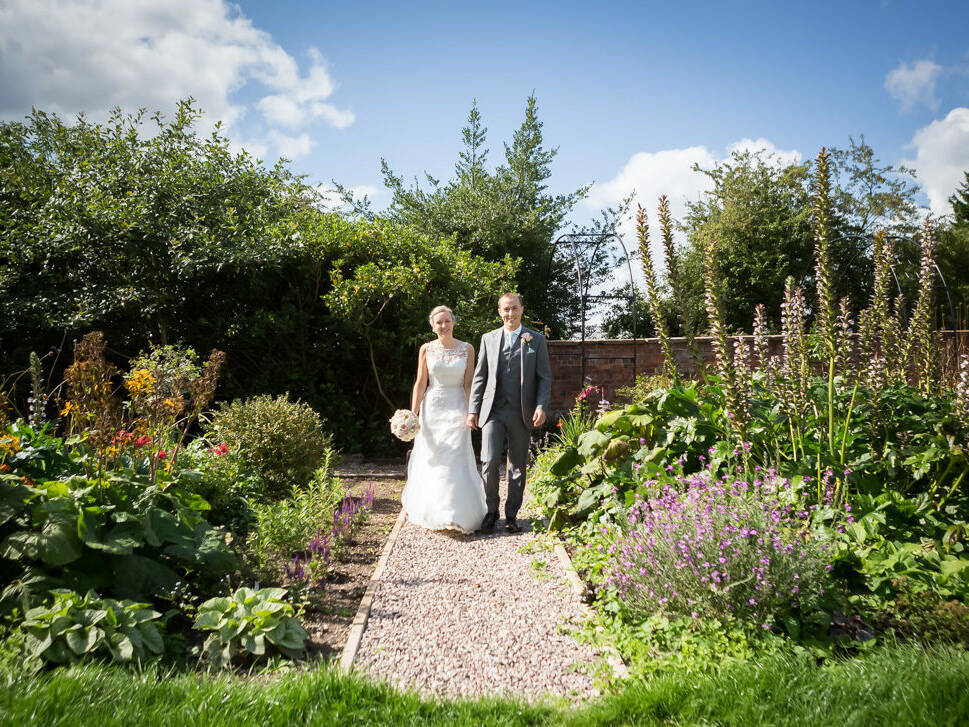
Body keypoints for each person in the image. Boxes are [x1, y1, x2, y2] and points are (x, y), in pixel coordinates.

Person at [467, 293, 552, 533]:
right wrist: (473, 409)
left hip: (521, 413)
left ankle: (512, 515)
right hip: (492, 411)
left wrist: (541, 405)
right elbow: (480, 376)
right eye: (505, 309)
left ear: (522, 309)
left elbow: (544, 378)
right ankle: (491, 511)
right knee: (490, 461)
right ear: (499, 311)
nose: (510, 314)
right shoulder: (488, 339)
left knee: (517, 466)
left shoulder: (535, 340)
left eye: (514, 309)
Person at [401, 305, 488, 534]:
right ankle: (436, 511)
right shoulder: (425, 349)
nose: (443, 326)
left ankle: (456, 514)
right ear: (432, 326)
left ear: (453, 322)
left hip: (458, 407)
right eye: (439, 322)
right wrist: (413, 414)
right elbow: (420, 383)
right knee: (435, 458)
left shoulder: (467, 349)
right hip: (433, 409)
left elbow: (469, 383)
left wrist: (472, 411)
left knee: (456, 457)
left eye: (447, 321)